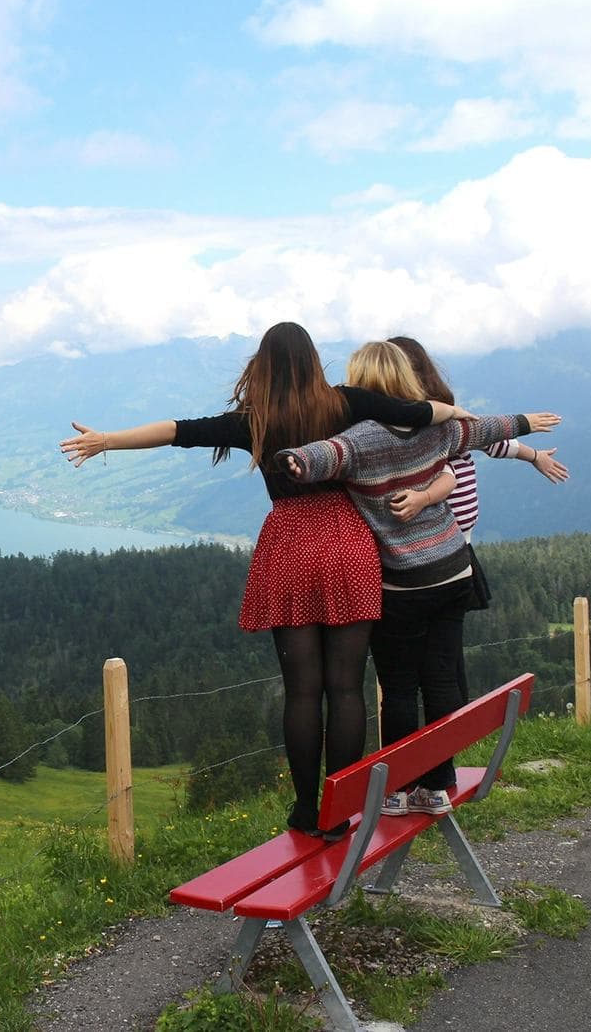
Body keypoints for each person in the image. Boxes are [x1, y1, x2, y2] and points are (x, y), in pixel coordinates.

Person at [59, 322, 467, 839]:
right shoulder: (347, 403)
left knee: (302, 693)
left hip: (291, 546)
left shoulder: (256, 420)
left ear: (264, 365)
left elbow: (178, 431)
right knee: (347, 689)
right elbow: (418, 413)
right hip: (349, 543)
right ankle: (338, 812)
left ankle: (304, 809)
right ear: (315, 360)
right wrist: (455, 412)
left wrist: (107, 441)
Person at [276, 340, 560, 817]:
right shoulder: (440, 431)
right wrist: (527, 423)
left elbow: (313, 461)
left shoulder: (362, 438)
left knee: (401, 686)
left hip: (403, 583)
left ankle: (403, 787)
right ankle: (439, 783)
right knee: (442, 675)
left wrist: (289, 456)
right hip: (454, 570)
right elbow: (487, 430)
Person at [384, 335, 569, 698]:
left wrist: (533, 455)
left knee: (440, 657)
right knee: (443, 657)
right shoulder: (416, 423)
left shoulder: (443, 417)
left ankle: (446, 726)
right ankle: (448, 727)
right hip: (437, 551)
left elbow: (491, 440)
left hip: (451, 549)